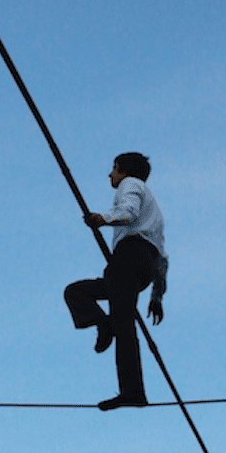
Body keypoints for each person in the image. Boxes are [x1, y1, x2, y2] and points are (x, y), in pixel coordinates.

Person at [64, 152, 168, 411]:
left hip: (128, 258)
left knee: (122, 324)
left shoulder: (130, 185)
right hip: (142, 267)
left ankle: (132, 390)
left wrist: (103, 218)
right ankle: (104, 324)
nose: (110, 174)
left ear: (124, 171)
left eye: (113, 169)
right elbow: (163, 259)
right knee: (77, 292)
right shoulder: (155, 212)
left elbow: (128, 211)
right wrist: (156, 295)